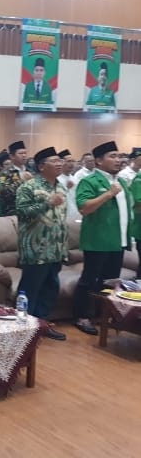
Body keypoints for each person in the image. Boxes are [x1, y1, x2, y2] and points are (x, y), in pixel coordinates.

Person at [72, 141, 132, 335]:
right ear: (98, 161)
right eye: (112, 156)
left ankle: (103, 316)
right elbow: (84, 208)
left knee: (111, 282)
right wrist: (108, 194)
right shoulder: (89, 181)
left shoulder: (121, 181)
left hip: (118, 241)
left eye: (119, 156)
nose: (118, 160)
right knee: (90, 280)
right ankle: (82, 316)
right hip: (97, 241)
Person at [16, 147, 68, 340]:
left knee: (50, 288)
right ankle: (23, 329)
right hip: (35, 248)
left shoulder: (61, 187)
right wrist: (47, 203)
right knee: (30, 289)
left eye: (60, 161)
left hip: (56, 248)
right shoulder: (28, 187)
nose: (59, 164)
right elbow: (22, 212)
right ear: (41, 166)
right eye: (54, 161)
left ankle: (42, 325)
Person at [0, 141, 32, 216]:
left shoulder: (30, 170)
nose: (24, 155)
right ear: (12, 156)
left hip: (29, 211)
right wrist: (20, 181)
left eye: (25, 153)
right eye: (20, 153)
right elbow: (2, 192)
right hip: (12, 211)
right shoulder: (4, 172)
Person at [57, 149, 80, 221]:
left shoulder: (75, 179)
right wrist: (67, 188)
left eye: (73, 161)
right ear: (61, 163)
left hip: (76, 213)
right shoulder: (56, 179)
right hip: (61, 215)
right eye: (69, 161)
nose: (72, 164)